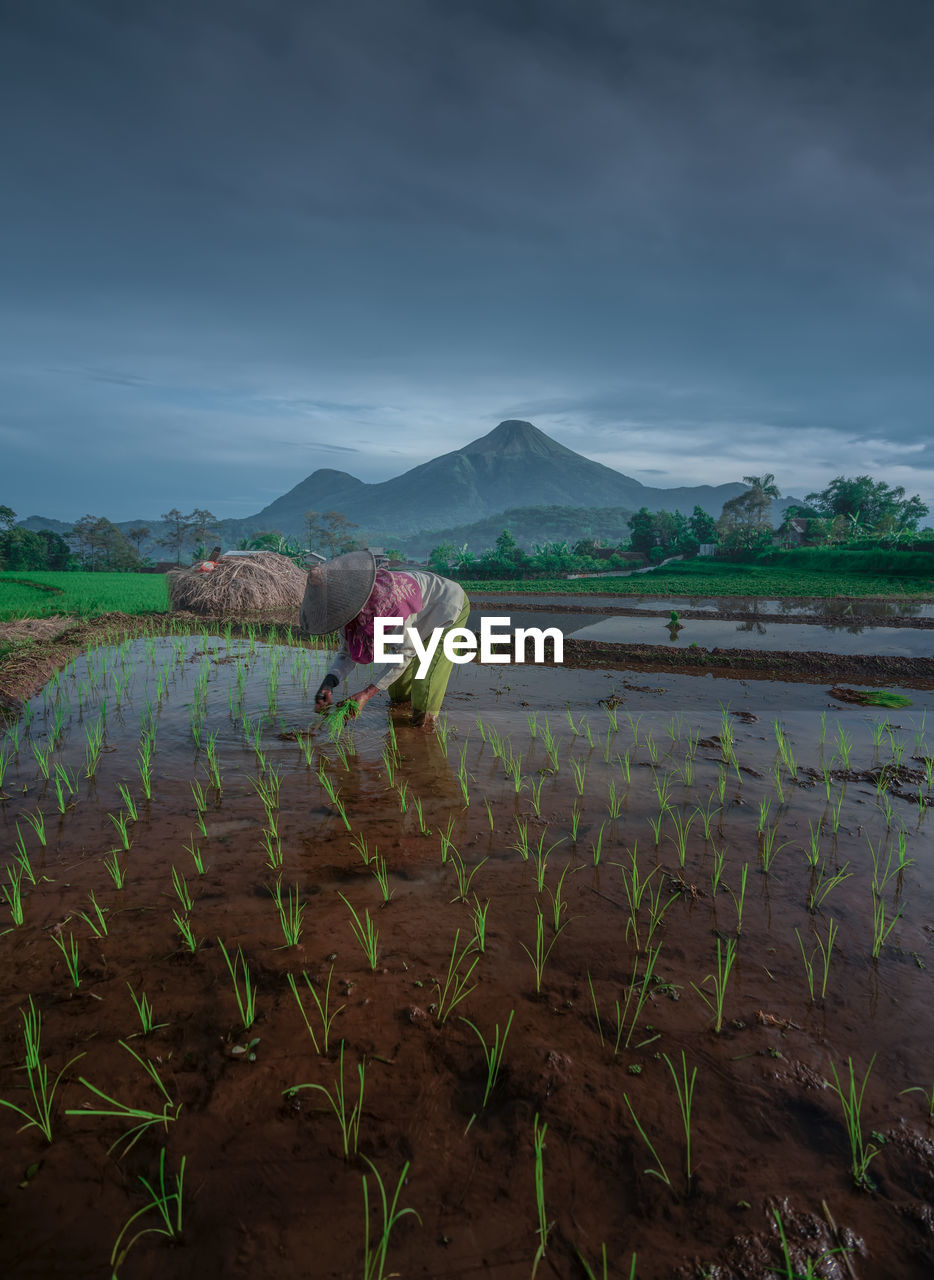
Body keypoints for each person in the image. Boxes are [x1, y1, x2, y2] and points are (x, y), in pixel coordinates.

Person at [301, 549, 470, 729]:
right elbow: (346, 654)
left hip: (446, 610)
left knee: (424, 685)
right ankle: (402, 729)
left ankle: (424, 730)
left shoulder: (389, 603)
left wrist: (366, 694)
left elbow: (404, 653)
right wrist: (328, 683)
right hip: (416, 620)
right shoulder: (347, 613)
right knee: (397, 691)